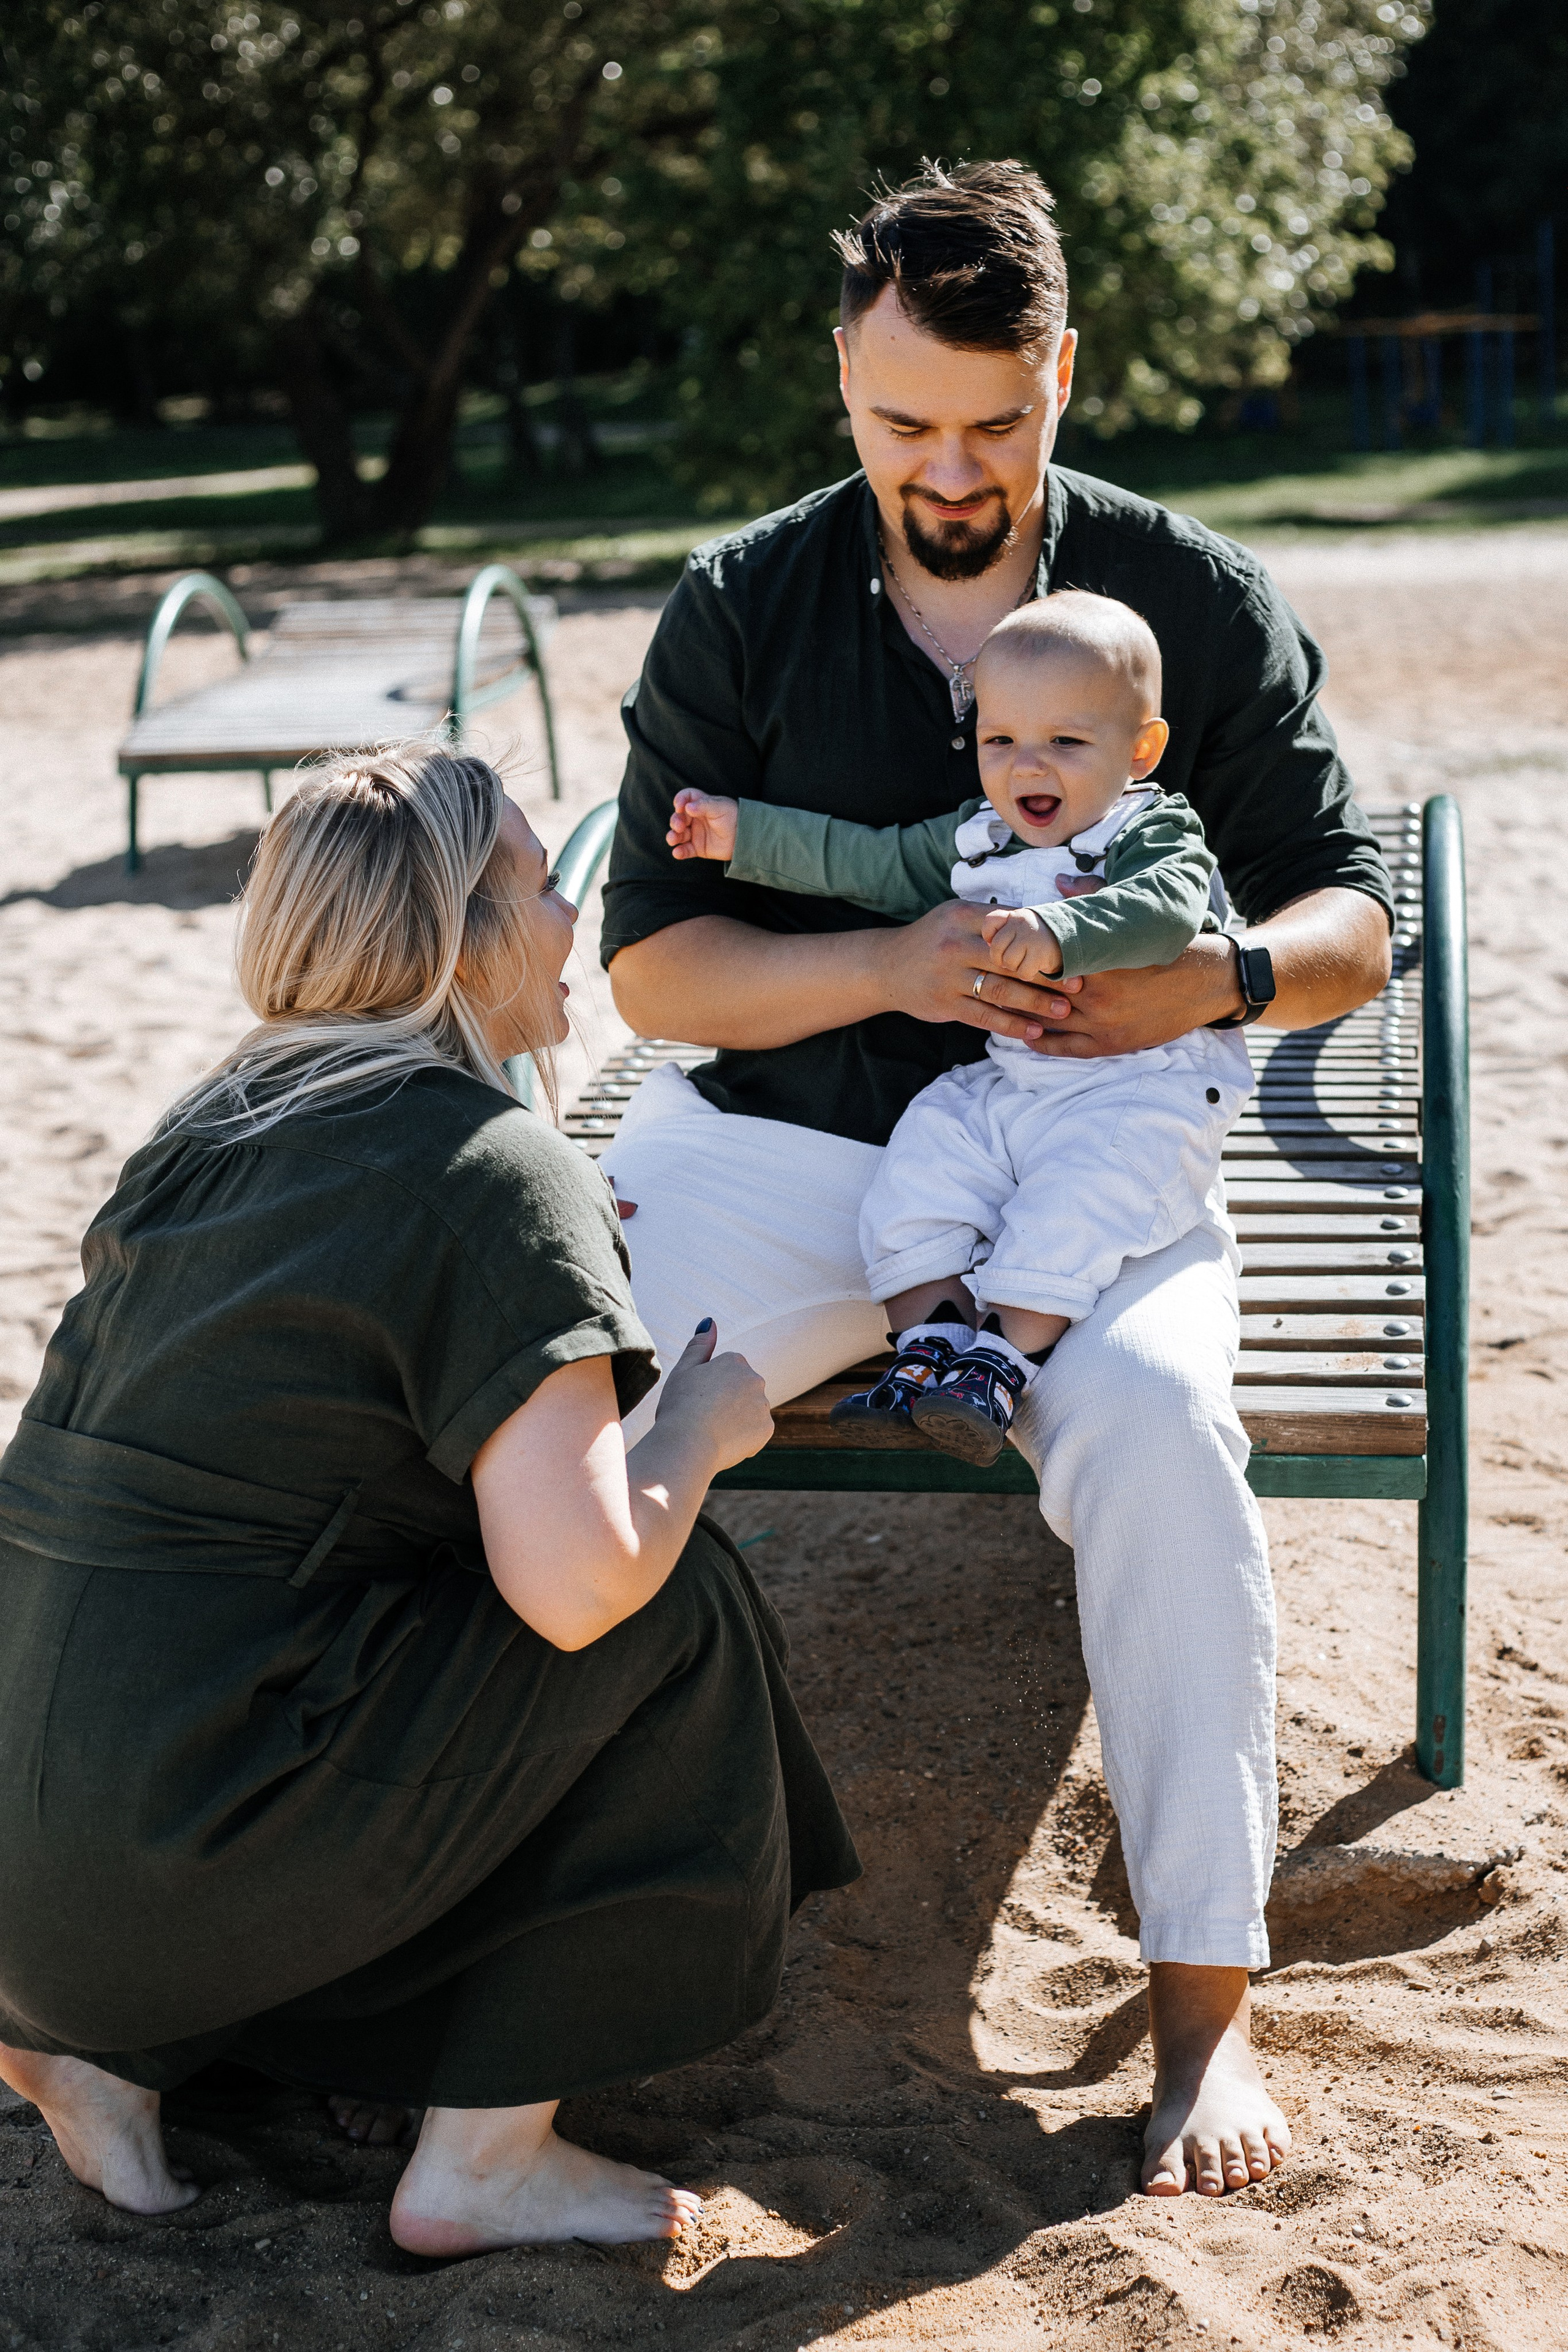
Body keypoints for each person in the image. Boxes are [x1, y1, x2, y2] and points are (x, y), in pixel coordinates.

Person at [598, 161, 1393, 2197]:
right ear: (839, 385)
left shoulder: (1187, 602)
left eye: (999, 418)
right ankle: (509, 1998)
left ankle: (1206, 2017)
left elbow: (1351, 921)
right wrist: (883, 961)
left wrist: (1196, 988)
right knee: (574, 1428)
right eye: (899, 426)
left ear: (1068, 368)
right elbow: (650, 961)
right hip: (782, 1145)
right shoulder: (742, 600)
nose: (950, 469)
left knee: (1154, 1423)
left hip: (1095, 1165)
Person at [0, 747, 858, 2252]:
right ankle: (484, 2162)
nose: (570, 910)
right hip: (185, 1841)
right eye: (536, 882)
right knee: (676, 1601)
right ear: (457, 938)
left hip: (37, 1852)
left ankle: (99, 2051)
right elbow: (580, 1585)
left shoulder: (198, 1139)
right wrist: (710, 1424)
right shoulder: (487, 1165)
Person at [664, 588, 1255, 1466]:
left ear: (1141, 748)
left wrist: (1062, 932)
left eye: (1065, 741)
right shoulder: (982, 839)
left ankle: (1004, 1358)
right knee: (923, 1159)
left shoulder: (1151, 829)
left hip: (1141, 1089)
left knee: (1078, 1203)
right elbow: (868, 859)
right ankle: (930, 1349)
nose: (1028, 768)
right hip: (1016, 1082)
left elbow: (1169, 912)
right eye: (1000, 741)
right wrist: (742, 835)